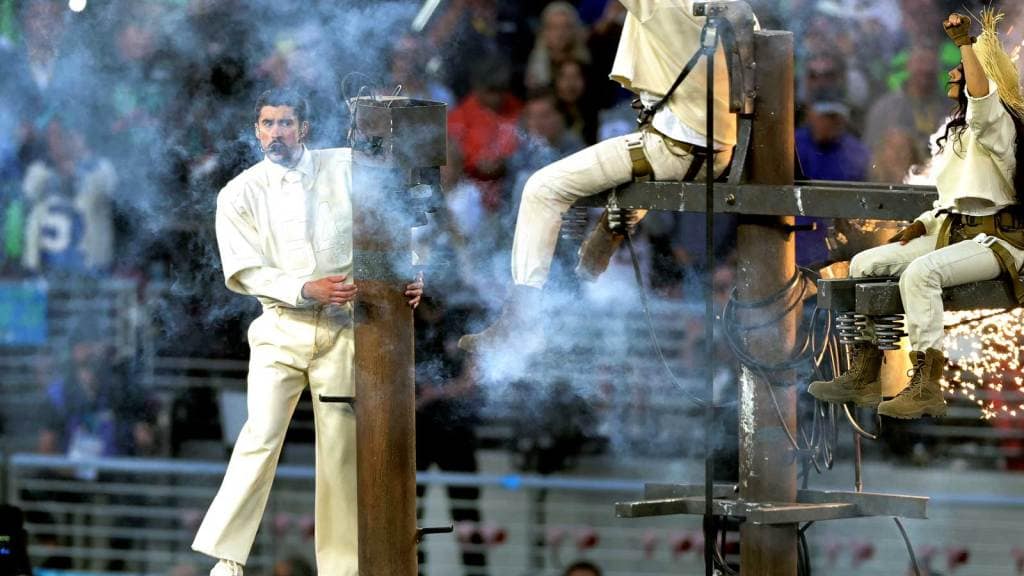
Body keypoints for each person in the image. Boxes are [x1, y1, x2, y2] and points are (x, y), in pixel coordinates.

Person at [190, 88, 424, 576]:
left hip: (342, 329)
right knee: (260, 433)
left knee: (341, 449)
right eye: (269, 123)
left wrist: (411, 271)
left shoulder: (344, 164)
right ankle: (227, 559)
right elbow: (245, 270)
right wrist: (304, 288)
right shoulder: (238, 193)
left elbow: (397, 214)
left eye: (287, 122)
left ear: (306, 128)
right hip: (280, 328)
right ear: (256, 131)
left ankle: (341, 570)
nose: (278, 132)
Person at [459, 0, 743, 353]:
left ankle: (520, 319)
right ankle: (611, 230)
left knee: (541, 189)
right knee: (634, 173)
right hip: (719, 156)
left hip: (671, 149)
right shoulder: (733, 11)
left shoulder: (666, 4)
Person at [808, 10, 1024, 419]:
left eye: (959, 71)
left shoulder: (997, 124)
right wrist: (925, 221)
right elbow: (954, 197)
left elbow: (982, 99)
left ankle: (926, 385)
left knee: (920, 275)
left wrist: (965, 42)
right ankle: (865, 372)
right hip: (952, 232)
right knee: (863, 264)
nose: (952, 75)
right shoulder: (959, 130)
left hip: (997, 242)